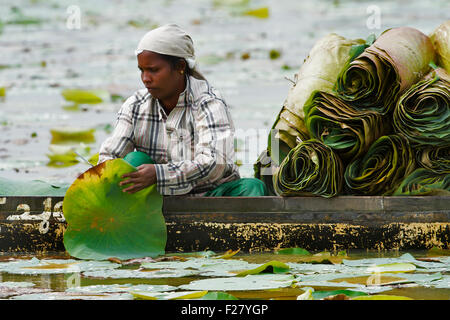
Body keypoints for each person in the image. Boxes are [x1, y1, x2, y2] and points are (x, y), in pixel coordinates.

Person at [98, 24, 267, 197]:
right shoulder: (135, 105)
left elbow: (214, 163)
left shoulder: (209, 103)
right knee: (134, 161)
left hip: (210, 195)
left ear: (180, 66)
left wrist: (159, 174)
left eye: (154, 70)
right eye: (142, 70)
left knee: (253, 188)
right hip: (157, 199)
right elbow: (110, 156)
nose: (145, 79)